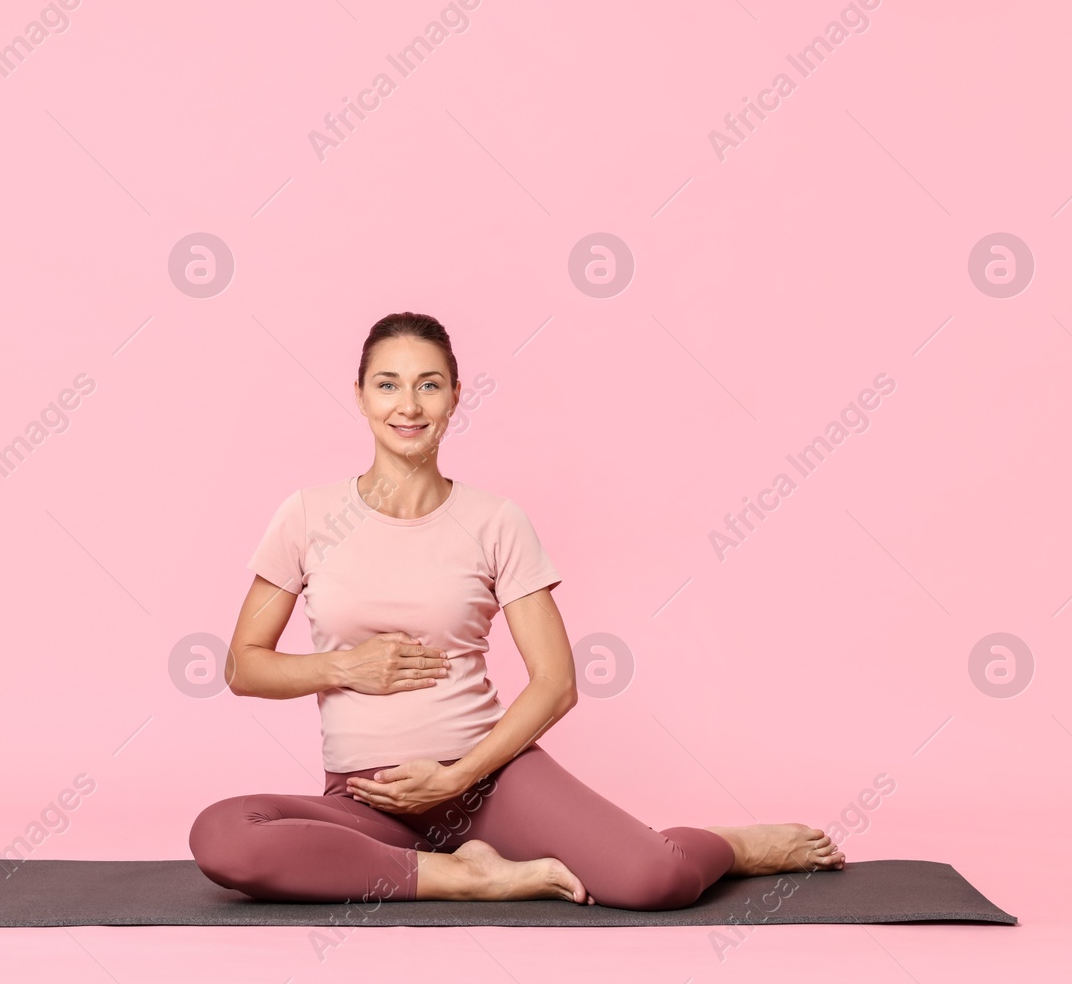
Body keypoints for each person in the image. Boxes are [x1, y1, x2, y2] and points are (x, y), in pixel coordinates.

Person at [188, 312, 844, 909]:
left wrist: (459, 776)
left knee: (658, 879)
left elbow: (557, 682)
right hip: (370, 797)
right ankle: (469, 875)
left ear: (455, 397)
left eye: (429, 385)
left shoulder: (495, 520)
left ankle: (733, 846)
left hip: (488, 782)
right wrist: (344, 666)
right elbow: (244, 666)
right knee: (222, 837)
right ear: (359, 395)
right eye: (388, 385)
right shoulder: (306, 516)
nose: (408, 405)